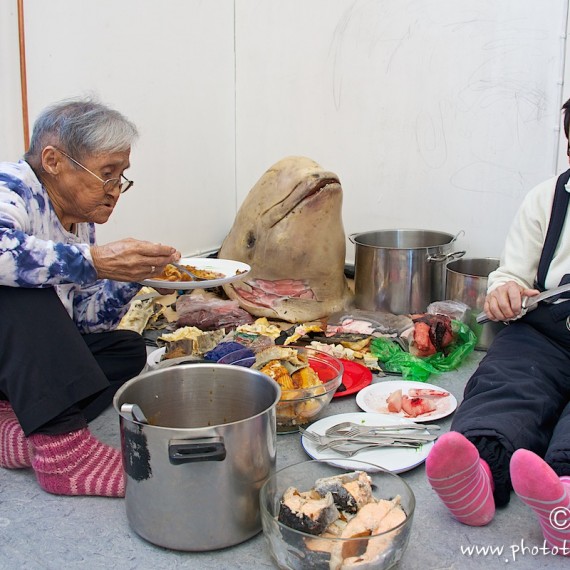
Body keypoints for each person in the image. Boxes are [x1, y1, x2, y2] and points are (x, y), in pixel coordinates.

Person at [0, 98, 181, 498]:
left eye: (122, 176)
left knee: (126, 349)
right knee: (23, 292)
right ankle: (63, 452)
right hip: (11, 349)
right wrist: (96, 262)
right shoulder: (9, 185)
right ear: (53, 161)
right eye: (107, 174)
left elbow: (84, 321)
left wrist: (135, 277)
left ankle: (17, 430)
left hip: (24, 369)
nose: (116, 190)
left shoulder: (78, 222)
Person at [426, 98, 570, 555]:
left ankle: (563, 496)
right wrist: (504, 291)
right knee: (507, 379)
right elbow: (513, 274)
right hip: (548, 331)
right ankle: (480, 475)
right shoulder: (546, 200)